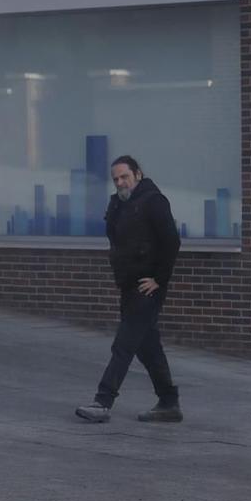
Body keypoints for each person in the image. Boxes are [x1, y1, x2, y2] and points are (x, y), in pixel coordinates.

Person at [76, 155, 183, 424]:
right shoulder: (119, 204)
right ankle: (169, 403)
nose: (120, 182)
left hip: (147, 288)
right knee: (148, 347)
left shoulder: (154, 201)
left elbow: (172, 241)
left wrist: (159, 279)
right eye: (116, 179)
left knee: (123, 344)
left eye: (124, 176)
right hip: (128, 285)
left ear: (138, 174)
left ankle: (103, 401)